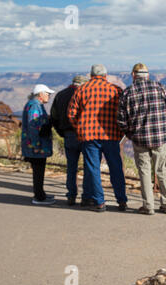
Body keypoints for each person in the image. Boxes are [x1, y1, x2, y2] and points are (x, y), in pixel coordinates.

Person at [118, 63, 166, 215]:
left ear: (133, 75)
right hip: (160, 138)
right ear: (148, 75)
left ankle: (148, 206)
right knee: (163, 170)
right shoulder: (160, 88)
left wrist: (131, 135)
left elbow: (121, 120)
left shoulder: (127, 93)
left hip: (140, 140)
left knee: (144, 172)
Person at [68, 64, 128, 212]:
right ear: (106, 76)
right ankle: (121, 200)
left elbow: (71, 114)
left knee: (93, 169)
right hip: (111, 136)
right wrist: (120, 132)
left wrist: (80, 128)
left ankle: (99, 201)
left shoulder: (82, 89)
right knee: (116, 168)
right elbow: (123, 113)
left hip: (89, 136)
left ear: (91, 75)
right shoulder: (116, 90)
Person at [51, 75, 90, 206]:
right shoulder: (85, 94)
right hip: (85, 135)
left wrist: (61, 132)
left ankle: (71, 196)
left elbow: (54, 117)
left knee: (71, 167)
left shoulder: (60, 95)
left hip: (68, 135)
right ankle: (86, 197)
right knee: (88, 166)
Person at [21, 84, 55, 205]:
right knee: (38, 171)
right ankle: (39, 197)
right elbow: (33, 126)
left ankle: (41, 194)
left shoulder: (34, 104)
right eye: (48, 93)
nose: (49, 96)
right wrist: (35, 145)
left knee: (39, 170)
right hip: (37, 146)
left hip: (37, 145)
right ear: (41, 94)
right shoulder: (35, 105)